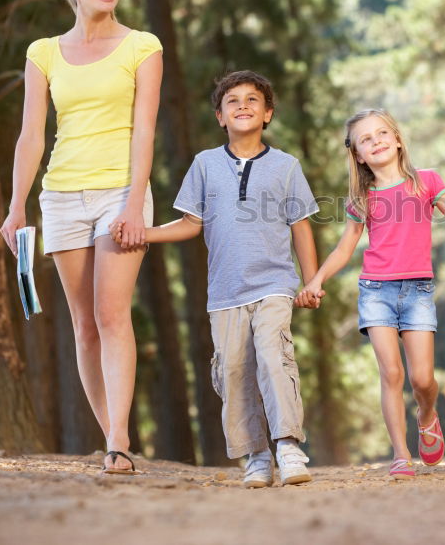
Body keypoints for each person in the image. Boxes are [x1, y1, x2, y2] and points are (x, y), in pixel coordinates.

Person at [0, 0, 163, 475]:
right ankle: (110, 435)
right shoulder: (43, 52)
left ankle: (118, 441)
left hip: (121, 191)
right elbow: (31, 136)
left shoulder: (143, 46)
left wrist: (135, 204)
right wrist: (17, 205)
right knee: (85, 325)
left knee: (113, 313)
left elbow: (145, 132)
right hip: (62, 196)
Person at [113, 70, 319, 488]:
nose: (243, 105)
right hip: (224, 292)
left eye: (252, 100)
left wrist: (310, 281)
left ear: (268, 113)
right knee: (233, 370)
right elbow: (191, 223)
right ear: (220, 117)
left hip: (274, 283)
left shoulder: (286, 166)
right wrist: (145, 232)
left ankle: (288, 445)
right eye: (232, 101)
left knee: (272, 355)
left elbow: (300, 225)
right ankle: (255, 456)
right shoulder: (205, 164)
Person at [297, 109, 445, 479]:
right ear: (358, 155)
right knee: (391, 373)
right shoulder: (362, 198)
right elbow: (345, 249)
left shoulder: (426, 181)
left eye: (382, 134)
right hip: (375, 291)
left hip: (417, 291)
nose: (376, 141)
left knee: (422, 380)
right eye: (366, 139)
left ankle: (427, 416)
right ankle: (400, 454)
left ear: (396, 140)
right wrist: (315, 281)